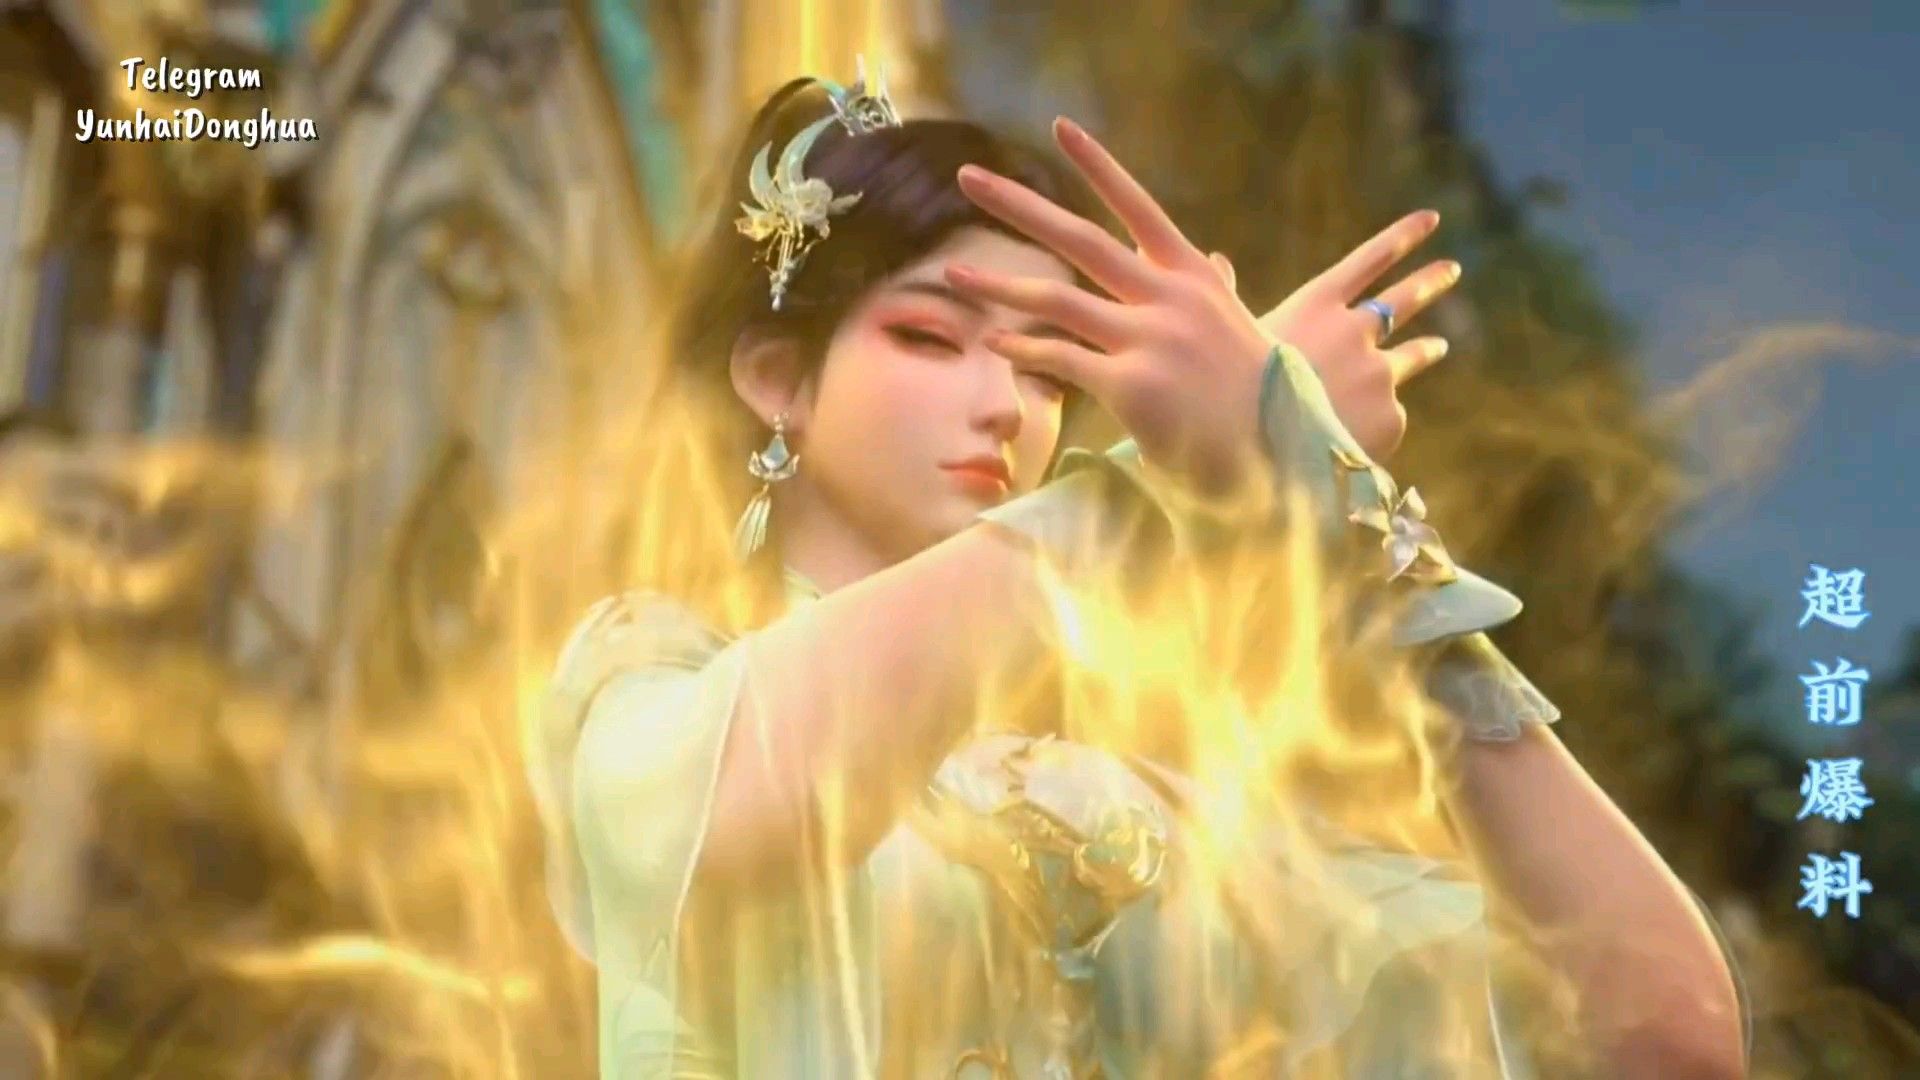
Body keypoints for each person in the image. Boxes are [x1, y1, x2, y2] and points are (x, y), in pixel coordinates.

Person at [527, 63, 1751, 1078]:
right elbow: (759, 804)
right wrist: (1182, 477)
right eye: (932, 337)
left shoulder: (1121, 822)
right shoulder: (649, 690)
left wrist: (1348, 518)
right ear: (777, 377)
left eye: (1047, 371)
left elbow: (1662, 1042)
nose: (1002, 406)